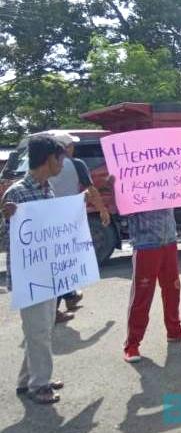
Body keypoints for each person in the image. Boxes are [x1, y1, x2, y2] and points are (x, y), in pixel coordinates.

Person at [1, 134, 109, 404]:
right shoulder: (16, 193)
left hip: (48, 272)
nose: (64, 162)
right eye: (60, 157)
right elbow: (6, 239)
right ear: (49, 159)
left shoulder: (46, 188)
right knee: (37, 331)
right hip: (31, 277)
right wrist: (8, 218)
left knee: (42, 328)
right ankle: (40, 385)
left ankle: (28, 380)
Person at [116, 194, 181, 363]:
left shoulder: (165, 174)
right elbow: (122, 207)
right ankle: (132, 343)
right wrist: (118, 190)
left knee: (173, 288)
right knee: (142, 295)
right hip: (145, 242)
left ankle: (174, 330)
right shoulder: (132, 177)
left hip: (169, 238)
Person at [50, 132, 108, 323]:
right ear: (66, 147)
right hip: (68, 221)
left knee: (58, 262)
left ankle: (70, 295)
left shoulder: (44, 166)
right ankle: (56, 308)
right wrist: (102, 210)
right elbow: (91, 190)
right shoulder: (77, 164)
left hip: (48, 222)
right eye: (71, 145)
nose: (73, 148)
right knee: (64, 263)